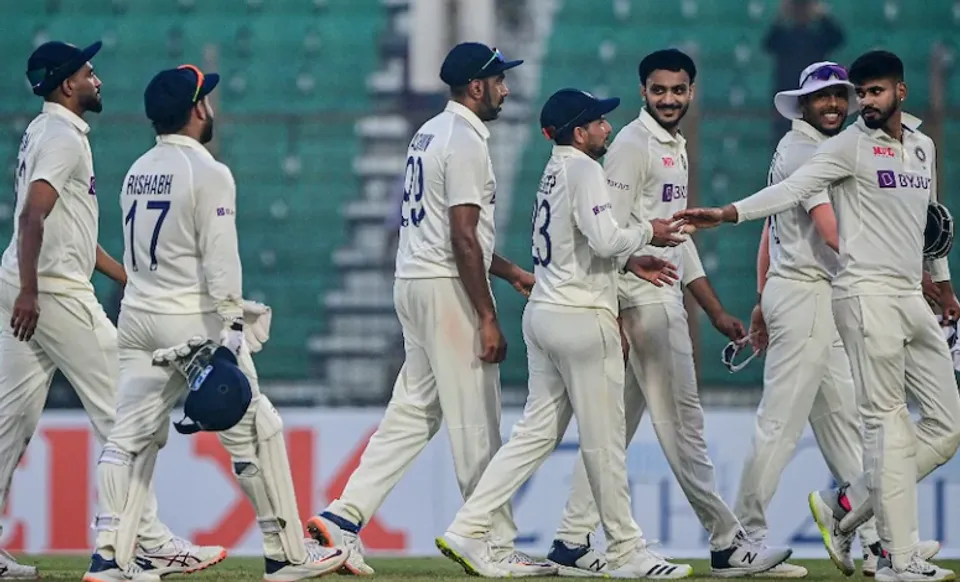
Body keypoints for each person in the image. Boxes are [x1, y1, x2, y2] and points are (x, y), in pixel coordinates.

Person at [675, 50, 960, 582]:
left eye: (839, 95)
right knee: (782, 426)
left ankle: (868, 530)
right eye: (820, 97)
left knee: (847, 426)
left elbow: (774, 232)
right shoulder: (810, 149)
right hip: (816, 293)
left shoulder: (861, 145)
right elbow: (831, 234)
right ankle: (743, 542)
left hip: (820, 293)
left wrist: (762, 294)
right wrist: (892, 265)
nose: (833, 104)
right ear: (801, 105)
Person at [84, 65, 349, 582]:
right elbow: (221, 258)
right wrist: (232, 326)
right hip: (192, 322)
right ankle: (286, 554)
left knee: (128, 437)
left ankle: (109, 555)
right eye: (205, 100)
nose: (210, 109)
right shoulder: (208, 171)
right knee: (258, 429)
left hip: (137, 317)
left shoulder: (137, 169)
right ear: (196, 110)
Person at [542, 49, 792, 578]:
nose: (670, 99)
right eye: (659, 90)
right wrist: (614, 310)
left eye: (678, 90)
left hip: (660, 297)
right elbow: (607, 237)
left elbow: (676, 236)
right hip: (644, 302)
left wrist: (714, 309)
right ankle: (727, 543)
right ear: (643, 92)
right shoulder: (632, 146)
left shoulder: (673, 146)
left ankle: (570, 538)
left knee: (617, 430)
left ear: (691, 92)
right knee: (683, 425)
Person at [306, 43, 552, 577]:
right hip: (446, 289)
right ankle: (490, 542)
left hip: (414, 280)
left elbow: (451, 232)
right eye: (498, 80)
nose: (505, 89)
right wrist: (487, 315)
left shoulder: (430, 132)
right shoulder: (464, 140)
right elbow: (462, 236)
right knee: (476, 420)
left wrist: (509, 272)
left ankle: (343, 517)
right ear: (476, 86)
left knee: (414, 411)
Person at [436, 87, 693, 578]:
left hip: (544, 313)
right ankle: (627, 551)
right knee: (604, 442)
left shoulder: (555, 169)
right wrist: (648, 233)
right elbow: (605, 238)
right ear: (579, 132)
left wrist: (629, 258)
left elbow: (585, 242)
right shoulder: (586, 170)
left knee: (534, 435)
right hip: (581, 316)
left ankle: (467, 528)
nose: (607, 128)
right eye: (598, 121)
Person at [0, 41, 221, 581]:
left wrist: (129, 278)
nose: (96, 79)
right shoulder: (61, 138)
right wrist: (32, 291)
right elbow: (32, 217)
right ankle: (148, 542)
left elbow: (68, 232)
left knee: (9, 422)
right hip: (51, 291)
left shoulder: (44, 130)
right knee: (126, 407)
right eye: (88, 72)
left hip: (26, 284)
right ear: (66, 85)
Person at [762, 0, 845, 144]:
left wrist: (823, 16)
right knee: (784, 142)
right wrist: (781, 17)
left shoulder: (818, 38)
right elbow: (768, 43)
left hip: (814, 96)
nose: (801, 12)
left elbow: (837, 38)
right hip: (788, 97)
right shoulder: (784, 38)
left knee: (816, 141)